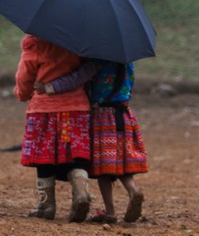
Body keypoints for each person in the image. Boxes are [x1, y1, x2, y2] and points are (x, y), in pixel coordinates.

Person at [36, 59, 147, 223]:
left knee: (104, 168)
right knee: (122, 164)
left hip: (103, 116)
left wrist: (50, 87)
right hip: (124, 115)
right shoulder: (127, 62)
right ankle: (133, 190)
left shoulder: (97, 62)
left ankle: (110, 212)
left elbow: (79, 79)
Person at [14, 34, 93, 222]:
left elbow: (24, 76)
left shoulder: (35, 43)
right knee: (76, 155)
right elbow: (87, 72)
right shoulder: (79, 40)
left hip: (44, 110)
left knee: (43, 156)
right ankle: (81, 192)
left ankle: (46, 206)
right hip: (77, 109)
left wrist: (22, 94)